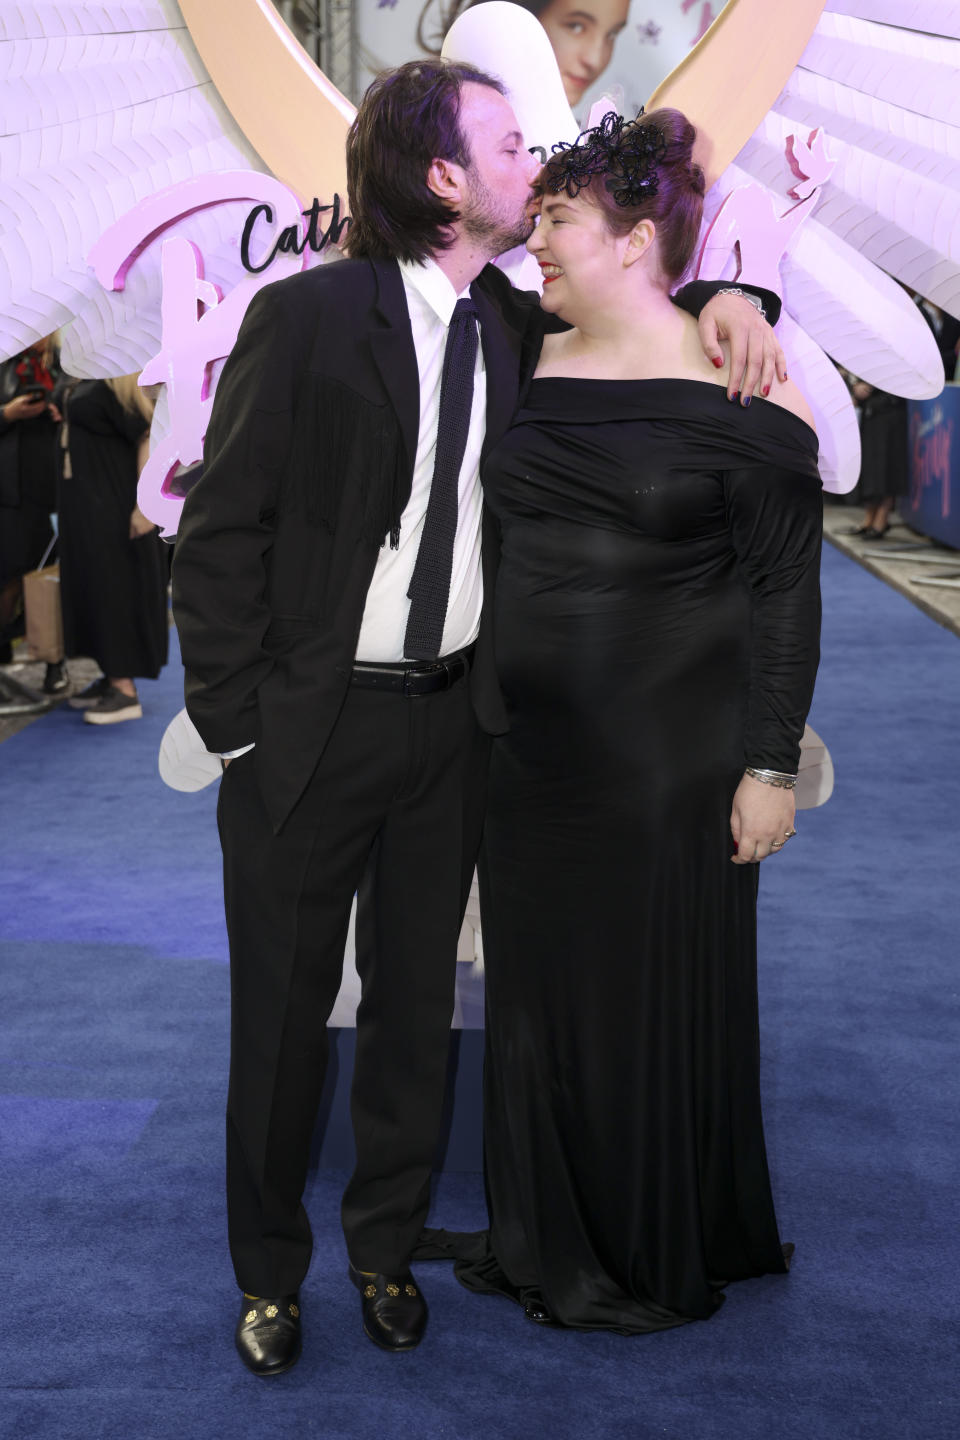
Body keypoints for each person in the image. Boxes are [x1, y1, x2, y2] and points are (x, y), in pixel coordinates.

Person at [172, 59, 785, 1377]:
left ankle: (384, 1247)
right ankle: (268, 1275)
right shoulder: (308, 317)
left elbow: (648, 309)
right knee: (280, 1020)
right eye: (511, 144)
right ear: (445, 177)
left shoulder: (520, 328)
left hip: (458, 730)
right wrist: (239, 726)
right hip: (307, 734)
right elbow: (220, 537)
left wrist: (743, 294)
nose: (535, 162)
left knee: (409, 1018)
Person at [440, 109, 822, 1333]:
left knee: (651, 999)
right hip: (526, 756)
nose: (535, 241)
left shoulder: (742, 392)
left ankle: (651, 1242)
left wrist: (768, 764)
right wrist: (722, 284)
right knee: (540, 1001)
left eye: (557, 220)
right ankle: (541, 1229)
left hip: (672, 767)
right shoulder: (510, 345)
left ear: (636, 236)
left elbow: (780, 598)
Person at [55, 376, 168, 722]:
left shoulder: (116, 382)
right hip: (86, 509)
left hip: (113, 508)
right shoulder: (85, 373)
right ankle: (110, 676)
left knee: (115, 589)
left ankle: (124, 689)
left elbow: (146, 436)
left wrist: (145, 506)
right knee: (94, 589)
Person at [423, 0, 630, 110]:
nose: (595, 60)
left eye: (612, 34)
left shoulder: (580, 161)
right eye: (575, 26)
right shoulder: (426, 123)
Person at [0, 338, 64, 693]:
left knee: (48, 577)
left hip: (49, 486)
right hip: (9, 491)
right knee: (9, 577)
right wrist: (8, 413)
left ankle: (54, 662)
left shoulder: (62, 364)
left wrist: (58, 412)